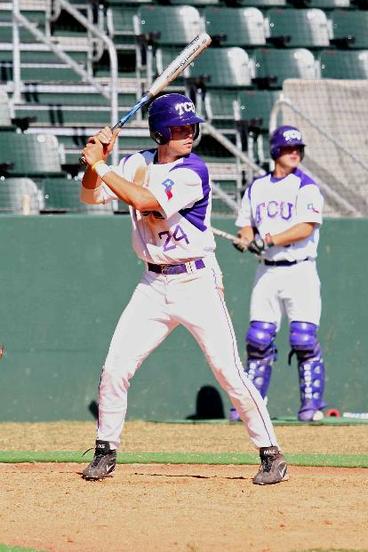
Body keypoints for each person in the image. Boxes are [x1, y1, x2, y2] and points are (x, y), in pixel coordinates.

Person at [79, 93, 288, 485]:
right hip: (153, 282)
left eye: (191, 127)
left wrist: (102, 164)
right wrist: (95, 163)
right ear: (159, 132)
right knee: (115, 368)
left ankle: (270, 453)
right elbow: (90, 193)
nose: (188, 134)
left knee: (228, 370)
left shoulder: (194, 170)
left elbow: (144, 199)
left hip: (196, 281)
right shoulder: (137, 162)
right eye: (178, 128)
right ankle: (106, 451)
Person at [229, 125, 326, 423]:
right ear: (275, 152)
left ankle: (312, 405)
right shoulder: (257, 187)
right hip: (267, 271)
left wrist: (268, 239)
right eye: (288, 148)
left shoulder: (306, 187)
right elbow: (247, 224)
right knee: (258, 339)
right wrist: (246, 237)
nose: (294, 152)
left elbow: (306, 226)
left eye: (298, 148)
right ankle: (252, 404)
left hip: (300, 269)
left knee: (303, 339)